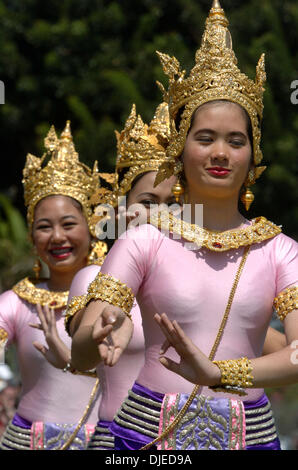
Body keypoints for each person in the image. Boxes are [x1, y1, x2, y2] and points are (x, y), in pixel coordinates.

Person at [70, 0, 297, 451]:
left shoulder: (280, 250)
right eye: (205, 138)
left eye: (236, 141)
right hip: (147, 437)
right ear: (181, 149)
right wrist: (92, 339)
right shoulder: (143, 241)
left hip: (250, 437)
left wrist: (221, 374)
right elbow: (79, 356)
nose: (220, 153)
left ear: (253, 156)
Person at [64, 103, 179, 450]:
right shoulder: (93, 279)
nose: (160, 214)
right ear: (120, 208)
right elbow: (82, 349)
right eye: (147, 201)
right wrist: (112, 324)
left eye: (172, 202)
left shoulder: (201, 278)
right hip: (119, 442)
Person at [0, 121, 107, 450]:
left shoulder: (116, 296)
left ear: (92, 229)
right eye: (44, 227)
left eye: (69, 224)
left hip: (106, 444)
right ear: (33, 240)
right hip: (29, 442)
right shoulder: (17, 303)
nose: (57, 237)